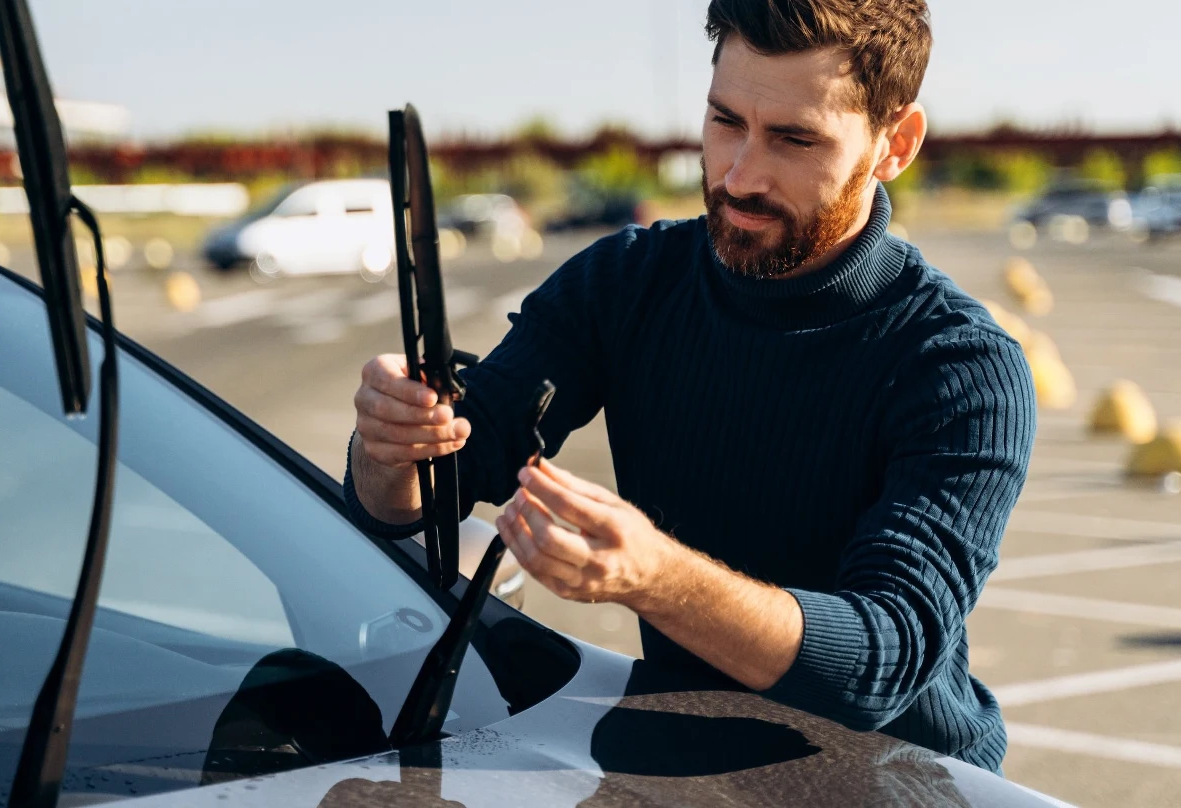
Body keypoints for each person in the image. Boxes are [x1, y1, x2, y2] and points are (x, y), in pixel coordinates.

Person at [345, 0, 1034, 773]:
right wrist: (392, 443)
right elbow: (430, 490)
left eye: (794, 138)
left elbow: (883, 659)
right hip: (682, 765)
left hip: (896, 783)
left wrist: (655, 576)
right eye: (724, 121)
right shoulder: (625, 282)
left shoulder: (960, 368)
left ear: (894, 144)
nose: (740, 175)